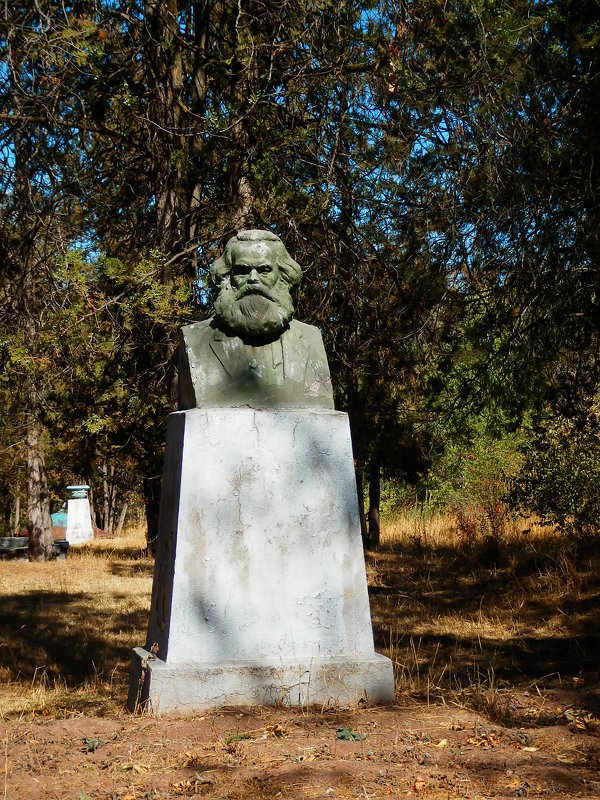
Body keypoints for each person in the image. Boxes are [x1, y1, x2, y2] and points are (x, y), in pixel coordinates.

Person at [178, 230, 334, 409]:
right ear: (227, 277)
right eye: (243, 271)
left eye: (264, 270)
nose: (253, 279)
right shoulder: (196, 340)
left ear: (282, 276)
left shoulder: (310, 338)